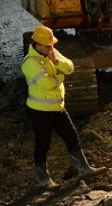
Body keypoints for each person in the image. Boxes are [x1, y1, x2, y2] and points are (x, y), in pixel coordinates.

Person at [22, 25, 96, 187]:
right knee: (43, 143)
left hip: (57, 107)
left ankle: (83, 168)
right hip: (40, 110)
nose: (51, 48)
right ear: (37, 44)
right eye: (48, 45)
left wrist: (56, 62)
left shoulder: (51, 53)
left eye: (51, 45)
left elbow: (70, 67)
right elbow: (47, 84)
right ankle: (43, 178)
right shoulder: (30, 62)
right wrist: (59, 76)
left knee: (72, 136)